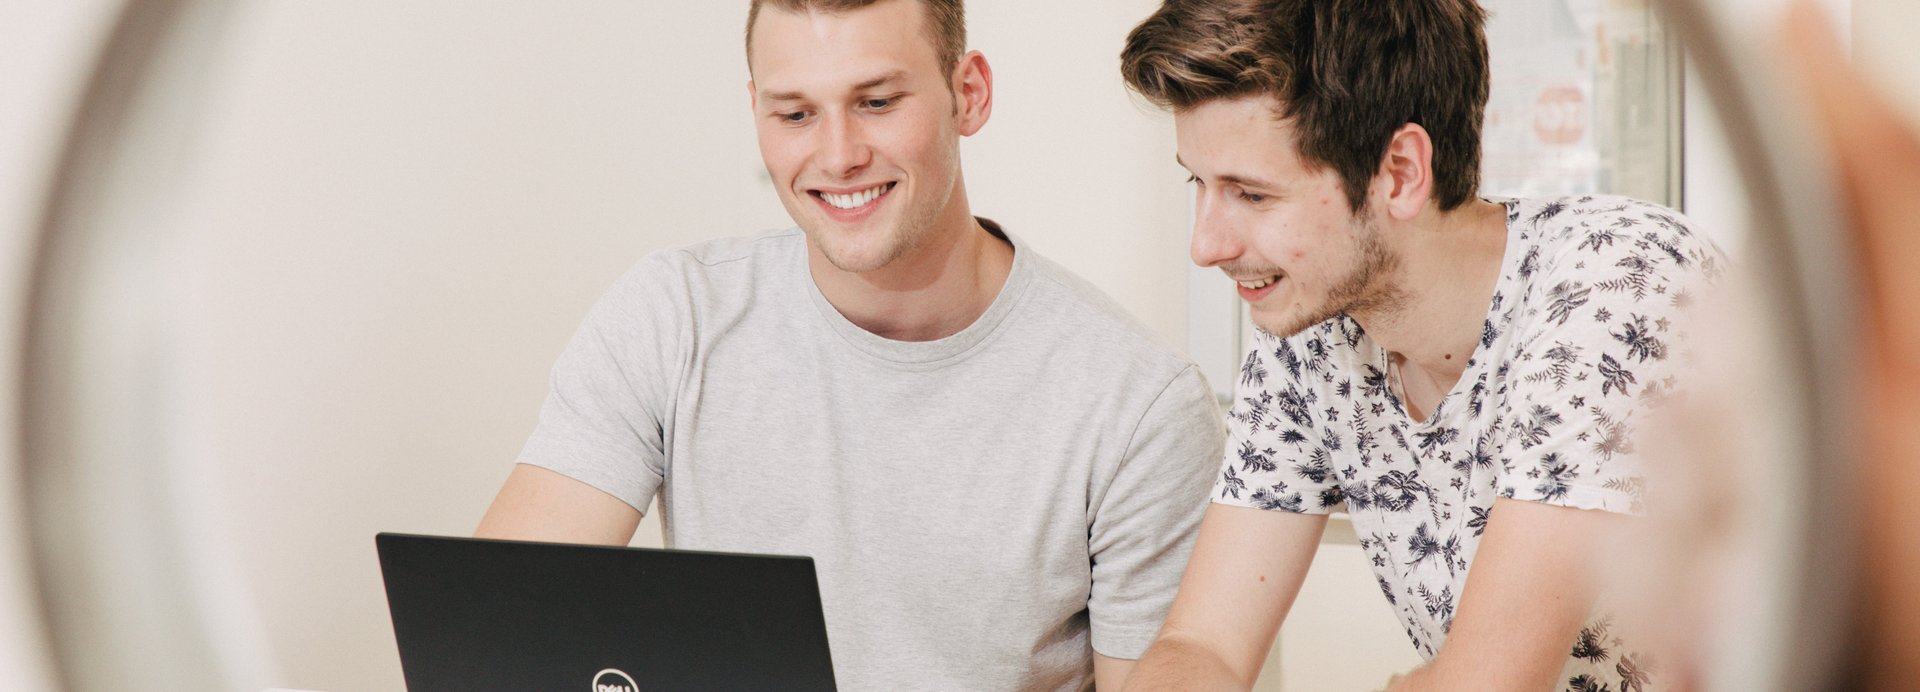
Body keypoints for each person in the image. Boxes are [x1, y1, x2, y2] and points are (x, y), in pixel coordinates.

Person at [472, 0, 1224, 689]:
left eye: (876, 102)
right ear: (756, 112)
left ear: (970, 93)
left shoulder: (1138, 405)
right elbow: (496, 632)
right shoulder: (673, 317)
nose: (837, 157)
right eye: (795, 114)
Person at [1115, 1, 1721, 690]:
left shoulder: (1614, 283)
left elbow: (1487, 684)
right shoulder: (1310, 330)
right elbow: (1203, 645)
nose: (1206, 245)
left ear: (1400, 172)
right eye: (1199, 182)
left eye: (1251, 195)